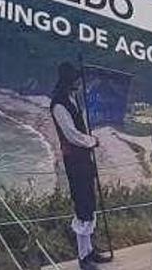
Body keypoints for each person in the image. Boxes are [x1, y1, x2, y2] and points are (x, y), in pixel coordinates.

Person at [48, 62, 111, 269]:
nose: (77, 82)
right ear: (68, 81)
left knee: (89, 204)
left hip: (83, 159)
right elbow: (71, 135)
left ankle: (89, 251)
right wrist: (92, 141)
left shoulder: (71, 99)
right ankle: (83, 258)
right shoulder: (58, 104)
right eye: (74, 79)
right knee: (83, 206)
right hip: (75, 161)